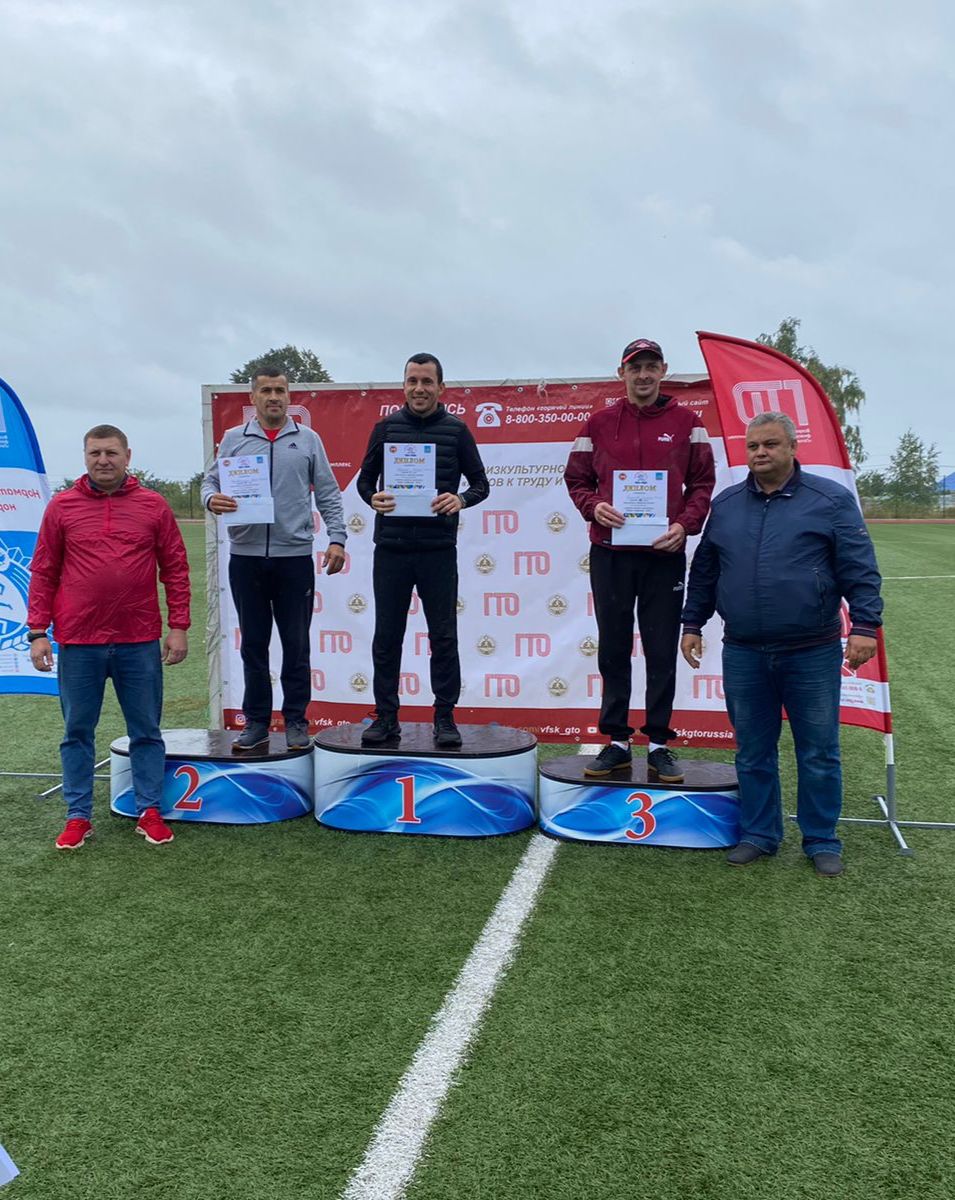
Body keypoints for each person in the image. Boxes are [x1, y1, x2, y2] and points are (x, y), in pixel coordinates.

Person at [680, 413, 883, 877]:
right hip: (744, 650)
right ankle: (759, 833)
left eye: (770, 444)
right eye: (753, 446)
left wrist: (866, 626)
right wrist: (692, 622)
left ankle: (821, 838)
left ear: (793, 447)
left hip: (812, 649)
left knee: (818, 751)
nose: (760, 453)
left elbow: (860, 567)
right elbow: (706, 570)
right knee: (752, 751)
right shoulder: (727, 505)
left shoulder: (829, 500)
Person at [27, 425, 191, 850]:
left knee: (146, 730)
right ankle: (78, 816)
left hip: (138, 639)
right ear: (85, 457)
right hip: (79, 641)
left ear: (127, 456)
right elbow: (43, 571)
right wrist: (37, 631)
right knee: (77, 732)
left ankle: (149, 810)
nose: (103, 460)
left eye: (111, 452)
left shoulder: (153, 505)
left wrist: (178, 626)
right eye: (96, 453)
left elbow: (175, 567)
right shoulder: (62, 507)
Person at [565, 338, 715, 781]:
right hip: (610, 554)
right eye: (636, 368)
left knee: (661, 648)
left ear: (663, 370)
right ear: (622, 374)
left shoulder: (689, 423)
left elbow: (703, 483)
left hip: (663, 555)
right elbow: (576, 479)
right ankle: (616, 740)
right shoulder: (598, 424)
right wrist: (594, 506)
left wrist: (685, 525)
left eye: (651, 367)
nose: (644, 375)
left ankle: (660, 744)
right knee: (613, 646)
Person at [202, 370, 346, 752]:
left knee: (296, 646)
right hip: (246, 559)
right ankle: (256, 723)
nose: (273, 396)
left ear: (288, 396)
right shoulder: (233, 439)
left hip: (293, 559)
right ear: (253, 397)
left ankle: (296, 720)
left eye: (280, 390)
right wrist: (210, 499)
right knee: (253, 645)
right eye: (265, 390)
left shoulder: (308, 439)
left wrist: (337, 538)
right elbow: (210, 482)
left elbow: (328, 493)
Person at [356, 353, 489, 748]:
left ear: (440, 387)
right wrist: (372, 498)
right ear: (404, 386)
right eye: (412, 380)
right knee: (387, 637)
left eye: (427, 381)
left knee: (443, 636)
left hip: (437, 551)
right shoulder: (384, 429)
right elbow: (364, 481)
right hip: (392, 549)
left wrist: (460, 500)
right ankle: (386, 718)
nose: (419, 388)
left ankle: (445, 718)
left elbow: (480, 484)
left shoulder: (457, 431)